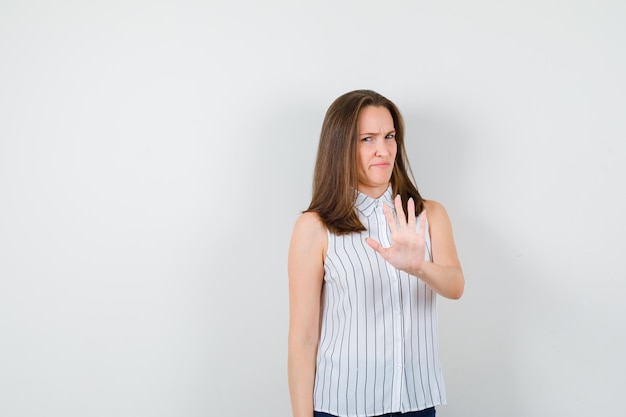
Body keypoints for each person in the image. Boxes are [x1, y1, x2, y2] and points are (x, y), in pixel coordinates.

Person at [288, 90, 464, 417]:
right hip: (343, 405)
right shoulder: (314, 227)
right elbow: (303, 339)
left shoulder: (429, 214)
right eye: (367, 139)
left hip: (416, 403)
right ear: (340, 147)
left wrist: (419, 267)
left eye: (389, 136)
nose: (383, 150)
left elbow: (455, 286)